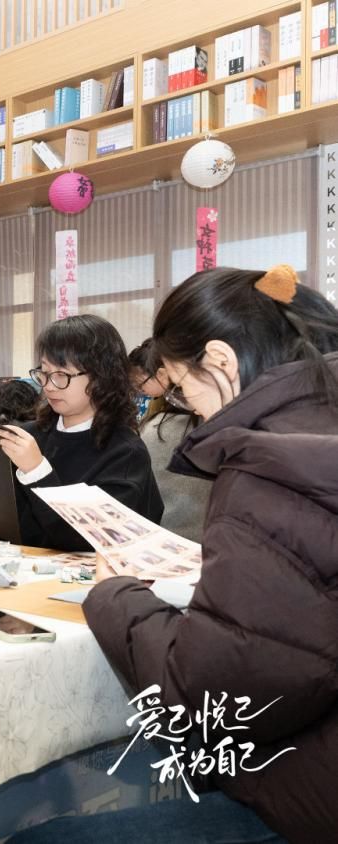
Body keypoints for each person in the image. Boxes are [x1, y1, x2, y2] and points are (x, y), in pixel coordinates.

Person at [17, 266, 338, 842]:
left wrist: (115, 594)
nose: (192, 413)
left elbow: (207, 695)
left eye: (184, 391)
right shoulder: (312, 435)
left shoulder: (271, 466)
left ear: (221, 360)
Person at [0, 315, 162, 551]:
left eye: (62, 375)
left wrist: (37, 472)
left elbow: (88, 543)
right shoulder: (26, 437)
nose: (49, 386)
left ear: (102, 376)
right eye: (44, 372)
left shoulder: (125, 452)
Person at [128, 340, 209, 542]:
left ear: (164, 374)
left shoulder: (159, 428)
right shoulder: (208, 424)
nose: (139, 390)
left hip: (161, 537)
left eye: (141, 383)